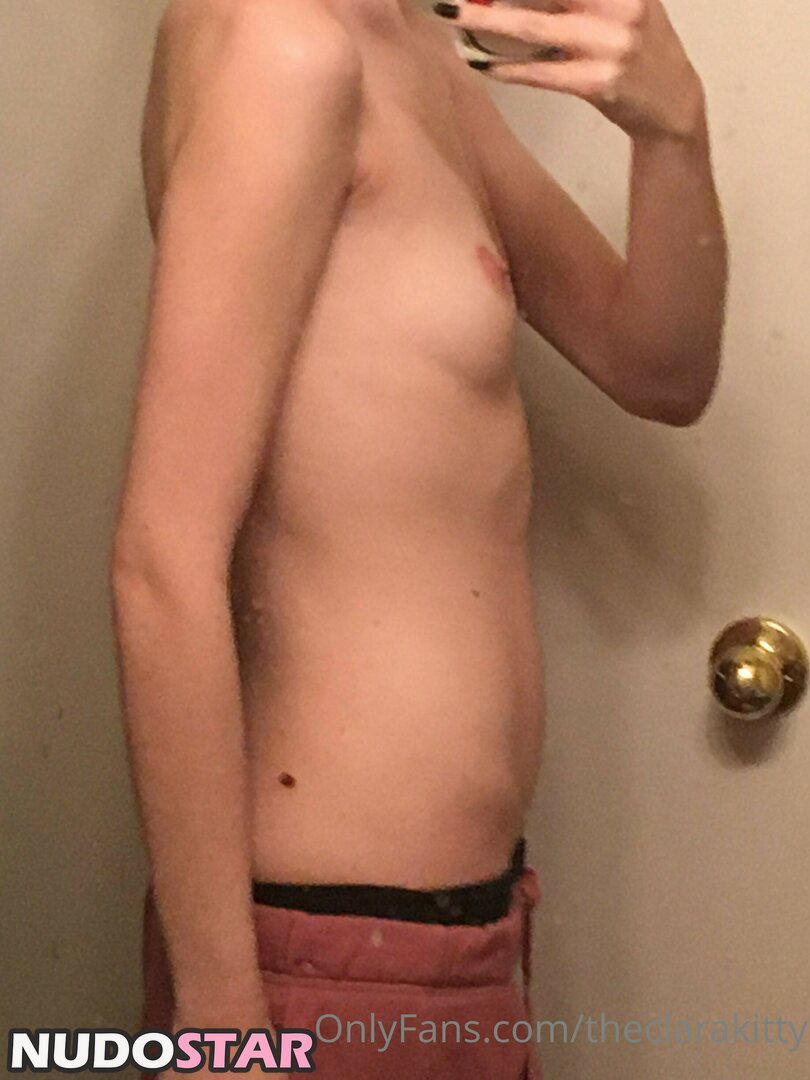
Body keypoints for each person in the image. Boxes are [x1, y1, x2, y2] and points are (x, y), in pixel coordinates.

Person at [109, 0, 727, 1075]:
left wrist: (674, 129)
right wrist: (219, 1028)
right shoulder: (283, 49)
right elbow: (163, 560)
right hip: (320, 959)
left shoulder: (402, 49)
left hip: (450, 939)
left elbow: (659, 367)